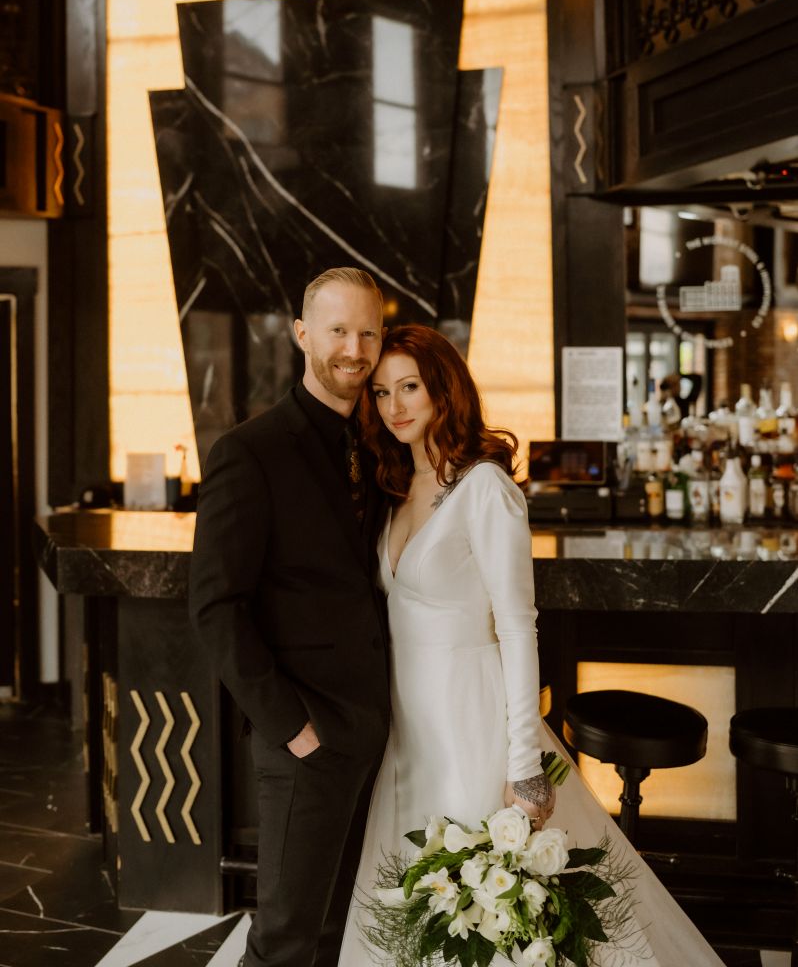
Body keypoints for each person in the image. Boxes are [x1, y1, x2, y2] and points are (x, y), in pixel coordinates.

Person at [338, 324, 725, 966]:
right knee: (420, 900)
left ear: (443, 388)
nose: (394, 405)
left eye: (409, 386)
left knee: (489, 910)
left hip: (472, 721)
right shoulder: (397, 487)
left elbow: (519, 627)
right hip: (410, 727)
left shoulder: (484, 488)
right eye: (380, 392)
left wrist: (522, 762)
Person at [189, 267, 391, 967]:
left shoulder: (378, 444)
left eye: (368, 332)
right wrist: (291, 728)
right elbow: (215, 605)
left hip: (378, 734)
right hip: (307, 737)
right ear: (302, 334)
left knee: (342, 935)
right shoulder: (249, 452)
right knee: (283, 942)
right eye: (338, 330)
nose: (354, 348)